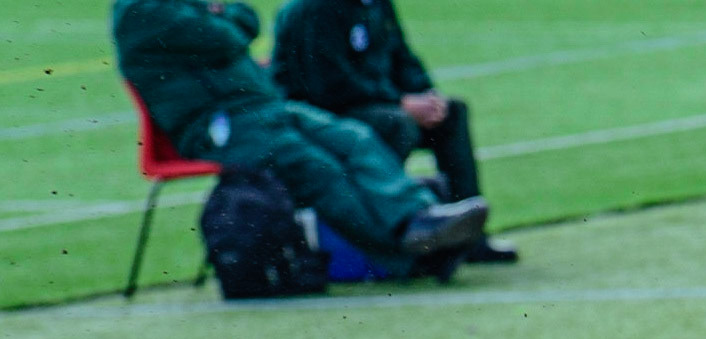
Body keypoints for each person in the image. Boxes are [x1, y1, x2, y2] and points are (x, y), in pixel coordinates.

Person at [112, 0, 487, 269]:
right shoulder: (141, 10)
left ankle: (418, 216)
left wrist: (222, 12)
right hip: (217, 124)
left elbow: (246, 18)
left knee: (352, 138)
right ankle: (402, 247)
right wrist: (221, 13)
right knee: (314, 166)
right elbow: (225, 36)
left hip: (265, 108)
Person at [271, 0, 516, 263]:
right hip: (321, 115)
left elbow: (402, 57)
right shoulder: (315, 9)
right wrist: (401, 101)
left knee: (452, 114)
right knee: (397, 123)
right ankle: (395, 230)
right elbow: (327, 84)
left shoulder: (378, 4)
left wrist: (428, 96)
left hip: (371, 103)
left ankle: (471, 237)